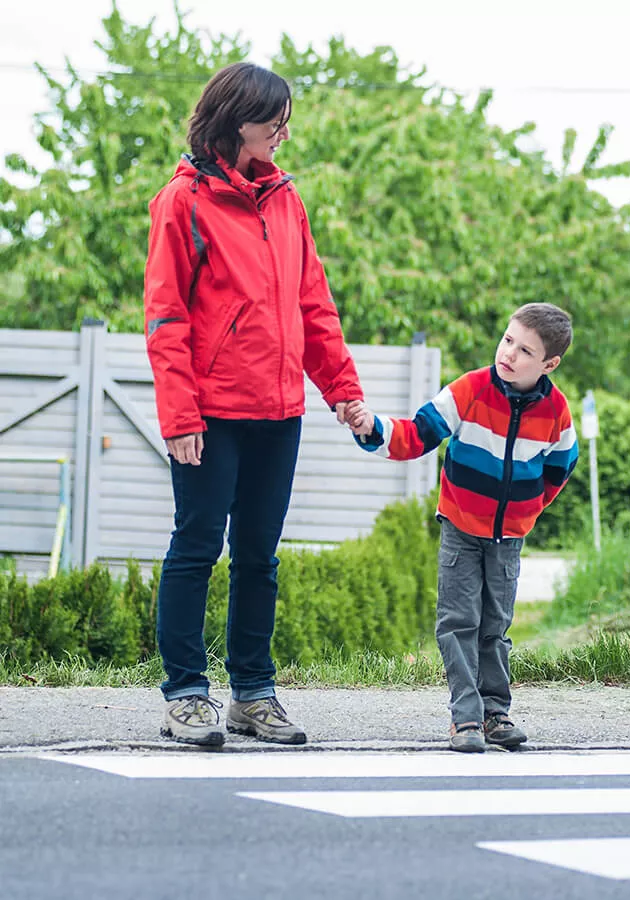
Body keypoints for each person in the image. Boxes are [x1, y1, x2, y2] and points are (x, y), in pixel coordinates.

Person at [144, 62, 364, 747]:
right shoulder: (181, 202)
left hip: (279, 411)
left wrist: (344, 392)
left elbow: (313, 304)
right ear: (238, 119)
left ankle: (253, 695)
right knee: (196, 546)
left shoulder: (286, 201)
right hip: (211, 412)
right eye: (276, 122)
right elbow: (165, 318)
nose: (284, 133)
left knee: (259, 557)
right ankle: (185, 694)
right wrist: (180, 417)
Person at [345, 303, 578, 752]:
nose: (508, 353)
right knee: (458, 622)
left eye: (525, 350)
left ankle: (496, 713)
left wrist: (526, 512)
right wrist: (371, 428)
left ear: (549, 364)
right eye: (508, 340)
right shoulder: (469, 390)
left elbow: (560, 468)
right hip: (460, 529)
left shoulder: (556, 412)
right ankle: (465, 719)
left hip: (508, 538)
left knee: (496, 625)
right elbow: (417, 434)